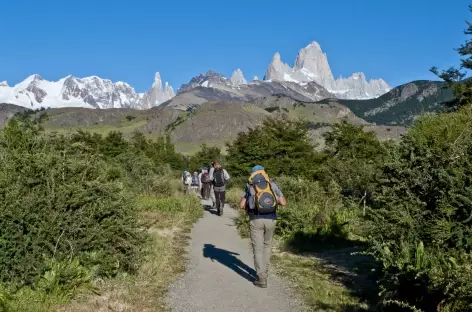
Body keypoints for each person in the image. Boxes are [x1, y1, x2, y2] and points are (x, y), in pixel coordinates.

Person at [239, 165, 286, 288]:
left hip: (256, 219)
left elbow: (241, 205)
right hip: (271, 219)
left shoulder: (249, 185)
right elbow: (284, 203)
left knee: (258, 248)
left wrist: (250, 201)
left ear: (253, 174)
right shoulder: (272, 184)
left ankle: (261, 278)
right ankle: (265, 272)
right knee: (267, 246)